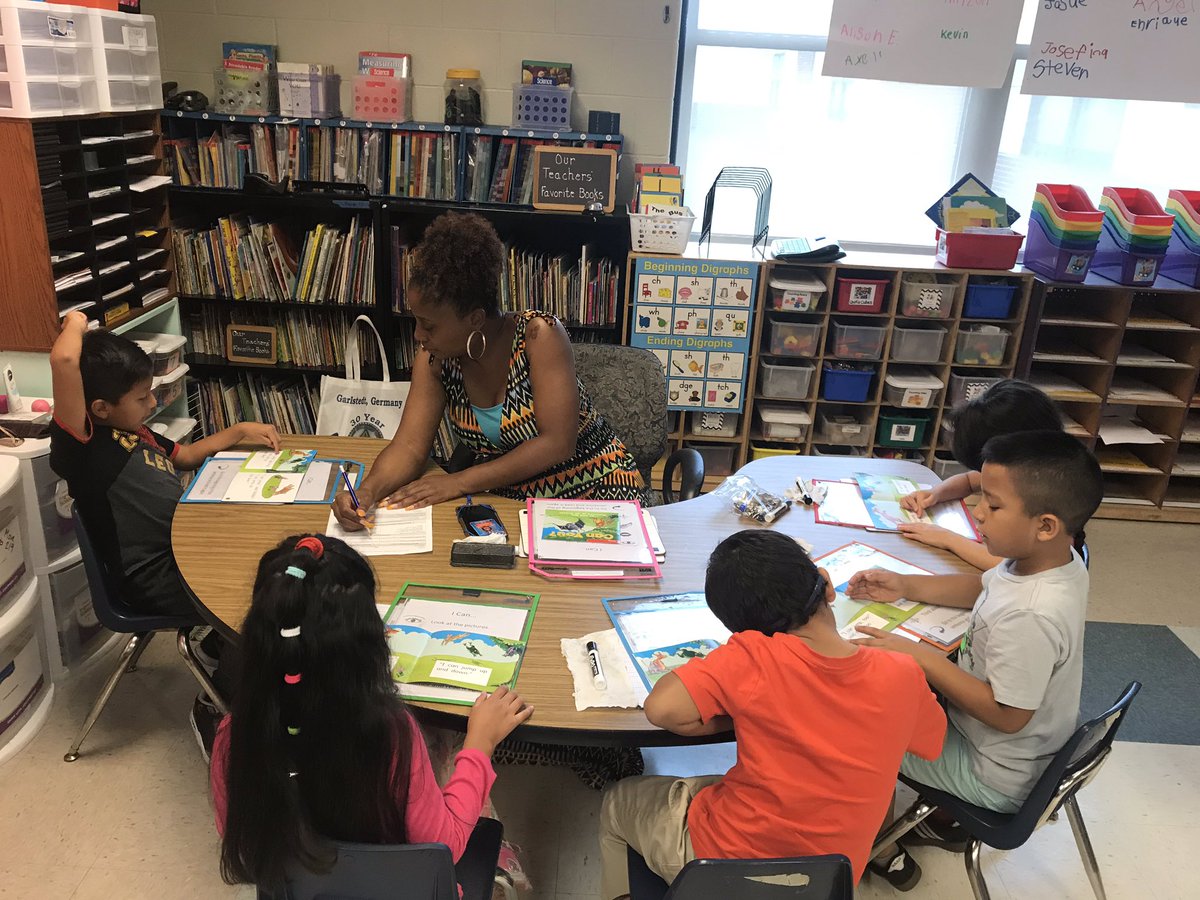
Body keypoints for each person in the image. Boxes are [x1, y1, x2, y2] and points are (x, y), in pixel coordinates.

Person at [598, 531, 948, 899]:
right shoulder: (902, 672)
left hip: (728, 866)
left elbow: (661, 708)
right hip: (830, 879)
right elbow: (932, 742)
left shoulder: (754, 657)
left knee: (619, 799)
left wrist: (745, 710)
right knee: (725, 785)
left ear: (742, 631)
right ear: (827, 588)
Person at [211, 534, 534, 894]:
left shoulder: (232, 737)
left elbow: (245, 846)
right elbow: (448, 842)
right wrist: (479, 745)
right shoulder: (390, 735)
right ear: (367, 639)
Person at [851, 431, 1103, 888]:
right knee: (895, 692)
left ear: (1045, 525)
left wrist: (923, 658)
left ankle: (880, 847)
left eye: (992, 504)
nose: (975, 510)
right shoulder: (1050, 561)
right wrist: (906, 585)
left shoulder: (1032, 614)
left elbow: (1008, 717)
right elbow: (985, 587)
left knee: (862, 729)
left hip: (997, 773)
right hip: (1014, 748)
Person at [48, 312, 280, 753]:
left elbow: (187, 454)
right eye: (141, 398)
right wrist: (77, 322)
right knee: (254, 594)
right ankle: (214, 707)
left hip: (181, 551)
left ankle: (216, 648)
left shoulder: (132, 431)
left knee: (262, 556)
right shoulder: (85, 446)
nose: (152, 405)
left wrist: (240, 431)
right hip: (150, 577)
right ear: (100, 408)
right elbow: (63, 361)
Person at [331, 211, 648, 528]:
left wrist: (458, 482)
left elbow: (557, 444)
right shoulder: (435, 358)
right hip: (510, 502)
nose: (417, 335)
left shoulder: (540, 336)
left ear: (475, 320)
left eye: (428, 325)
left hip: (594, 493)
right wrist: (366, 493)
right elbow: (410, 447)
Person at [898, 379, 1065, 570]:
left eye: (993, 506)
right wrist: (936, 493)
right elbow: (969, 481)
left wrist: (947, 539)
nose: (979, 512)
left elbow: (1006, 565)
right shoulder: (1024, 464)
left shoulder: (1047, 492)